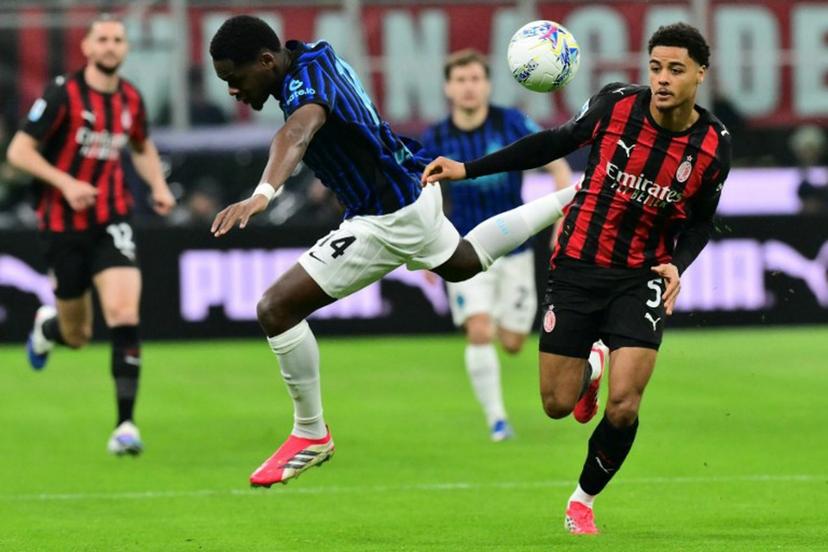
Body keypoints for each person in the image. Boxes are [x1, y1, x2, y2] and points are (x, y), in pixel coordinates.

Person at [206, 15, 577, 487]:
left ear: (265, 60)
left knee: (275, 308)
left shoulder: (305, 87)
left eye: (235, 80)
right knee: (463, 262)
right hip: (414, 189)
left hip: (386, 216)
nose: (233, 92)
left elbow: (297, 132)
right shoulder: (315, 54)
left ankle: (310, 433)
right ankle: (575, 196)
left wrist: (263, 194)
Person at [422, 22, 731, 534]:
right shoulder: (616, 105)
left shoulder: (715, 144)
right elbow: (551, 144)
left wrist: (679, 263)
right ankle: (590, 367)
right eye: (655, 67)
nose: (662, 79)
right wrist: (468, 169)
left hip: (643, 273)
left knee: (626, 402)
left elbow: (700, 220)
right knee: (556, 404)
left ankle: (582, 500)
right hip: (578, 265)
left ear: (700, 74)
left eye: (675, 70)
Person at [7, 14, 176, 455]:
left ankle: (125, 426)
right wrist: (66, 183)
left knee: (123, 312)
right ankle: (49, 327)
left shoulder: (130, 99)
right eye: (101, 39)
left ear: (125, 48)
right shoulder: (63, 93)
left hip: (112, 217)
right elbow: (18, 151)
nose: (110, 46)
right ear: (86, 47)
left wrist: (157, 186)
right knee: (77, 335)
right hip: (63, 224)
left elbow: (141, 145)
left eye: (117, 39)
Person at [421, 49, 606, 441]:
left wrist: (565, 214)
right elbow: (421, 191)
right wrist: (423, 248)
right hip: (463, 249)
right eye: (460, 80)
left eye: (475, 79)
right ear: (448, 88)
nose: (468, 87)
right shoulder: (435, 136)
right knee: (480, 330)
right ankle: (497, 421)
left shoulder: (511, 123)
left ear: (487, 85)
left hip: (515, 247)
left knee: (512, 342)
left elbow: (557, 164)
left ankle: (590, 364)